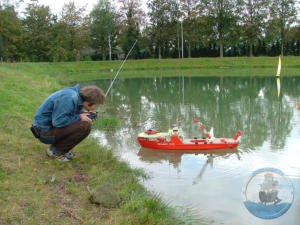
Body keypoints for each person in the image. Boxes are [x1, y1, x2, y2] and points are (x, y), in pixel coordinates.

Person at [30, 84, 105, 162]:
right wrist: (80, 117)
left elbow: (68, 113)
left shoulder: (76, 96)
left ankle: (58, 149)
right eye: (97, 105)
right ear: (89, 102)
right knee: (85, 126)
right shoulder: (69, 98)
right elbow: (58, 122)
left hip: (47, 128)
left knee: (82, 122)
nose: (96, 108)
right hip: (43, 132)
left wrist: (83, 113)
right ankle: (55, 152)